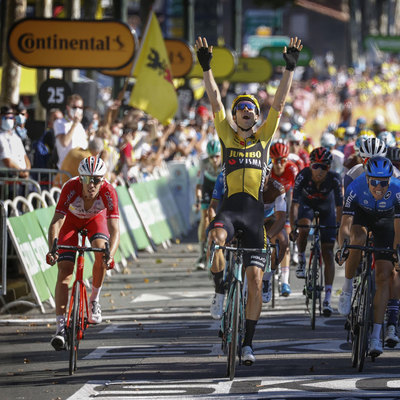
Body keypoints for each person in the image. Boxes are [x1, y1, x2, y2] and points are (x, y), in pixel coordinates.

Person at [196, 35, 302, 365]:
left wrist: (289, 68)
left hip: (254, 213)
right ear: (235, 115)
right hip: (230, 210)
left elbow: (280, 104)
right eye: (240, 108)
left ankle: (248, 343)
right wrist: (206, 68)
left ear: (256, 117)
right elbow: (214, 100)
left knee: (256, 281)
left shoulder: (264, 137)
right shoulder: (227, 136)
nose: (245, 111)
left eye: (250, 109)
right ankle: (218, 289)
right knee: (215, 240)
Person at [46, 156, 120, 351]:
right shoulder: (70, 188)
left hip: (95, 220)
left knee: (100, 253)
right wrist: (52, 248)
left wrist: (110, 254)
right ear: (80, 179)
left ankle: (94, 300)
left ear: (103, 180)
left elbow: (115, 229)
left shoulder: (109, 191)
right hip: (71, 221)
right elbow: (57, 221)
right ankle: (60, 328)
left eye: (96, 179)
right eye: (87, 179)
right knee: (65, 271)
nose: (92, 184)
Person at [336, 156, 400, 356]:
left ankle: (375, 337)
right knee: (358, 239)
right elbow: (345, 224)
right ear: (367, 178)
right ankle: (347, 289)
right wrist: (343, 246)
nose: (378, 187)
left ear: (390, 179)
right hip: (362, 216)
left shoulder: (397, 190)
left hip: (386, 222)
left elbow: (398, 231)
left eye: (383, 182)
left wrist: (397, 253)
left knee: (383, 276)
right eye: (374, 182)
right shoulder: (356, 186)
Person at [290, 147, 343, 317]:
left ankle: (327, 298)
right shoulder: (303, 176)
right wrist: (293, 227)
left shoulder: (335, 178)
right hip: (307, 206)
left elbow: (340, 207)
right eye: (316, 166)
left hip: (327, 210)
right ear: (310, 166)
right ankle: (301, 259)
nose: (319, 171)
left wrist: (339, 227)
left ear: (329, 168)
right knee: (304, 227)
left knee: (328, 251)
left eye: (324, 167)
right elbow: (295, 205)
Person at [269, 142, 299, 296]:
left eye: (282, 160)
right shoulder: (267, 170)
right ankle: (270, 270)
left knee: (285, 241)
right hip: (269, 204)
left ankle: (285, 281)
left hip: (285, 201)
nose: (279, 164)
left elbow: (298, 196)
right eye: (275, 161)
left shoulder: (292, 169)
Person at [195, 138, 222, 269]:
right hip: (208, 185)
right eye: (212, 157)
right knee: (205, 216)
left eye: (217, 156)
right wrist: (198, 199)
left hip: (221, 185)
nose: (214, 160)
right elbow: (199, 184)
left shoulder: (226, 161)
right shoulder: (204, 162)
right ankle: (201, 253)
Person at [0, 105, 31, 198]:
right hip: (8, 182)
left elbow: (25, 157)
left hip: (21, 181)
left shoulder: (16, 137)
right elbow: (8, 161)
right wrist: (22, 173)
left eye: (11, 117)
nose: (9, 120)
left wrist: (27, 172)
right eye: (5, 117)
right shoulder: (1, 137)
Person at [54, 94, 88, 169]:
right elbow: (64, 142)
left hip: (81, 168)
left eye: (80, 107)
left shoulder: (80, 126)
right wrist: (74, 124)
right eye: (74, 107)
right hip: (66, 168)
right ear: (68, 108)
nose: (77, 110)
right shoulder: (59, 123)